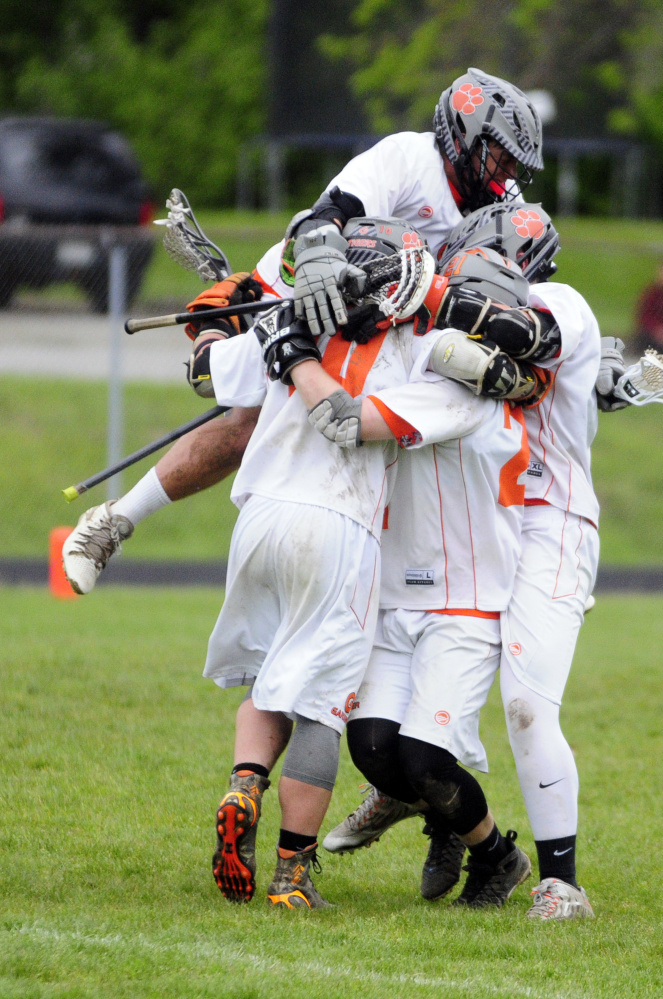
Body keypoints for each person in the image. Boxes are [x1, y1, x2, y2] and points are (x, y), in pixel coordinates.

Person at [62, 68, 545, 595]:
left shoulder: (502, 199)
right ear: (463, 136)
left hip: (399, 322)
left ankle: (536, 568)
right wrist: (330, 290)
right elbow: (321, 223)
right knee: (236, 414)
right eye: (499, 153)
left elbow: (517, 276)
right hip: (321, 292)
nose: (508, 170)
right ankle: (115, 519)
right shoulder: (408, 159)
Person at [201, 217, 551, 909]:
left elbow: (207, 369)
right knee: (321, 708)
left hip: (257, 517)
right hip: (337, 524)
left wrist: (232, 314)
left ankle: (246, 782)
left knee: (269, 673)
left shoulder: (291, 318)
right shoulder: (419, 351)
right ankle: (291, 875)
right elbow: (351, 413)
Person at [324, 202, 599, 920]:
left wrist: (433, 296)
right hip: (484, 527)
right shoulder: (457, 339)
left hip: (549, 520)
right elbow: (464, 355)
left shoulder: (554, 305)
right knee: (393, 741)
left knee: (527, 703)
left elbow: (520, 346)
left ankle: (558, 880)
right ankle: (426, 794)